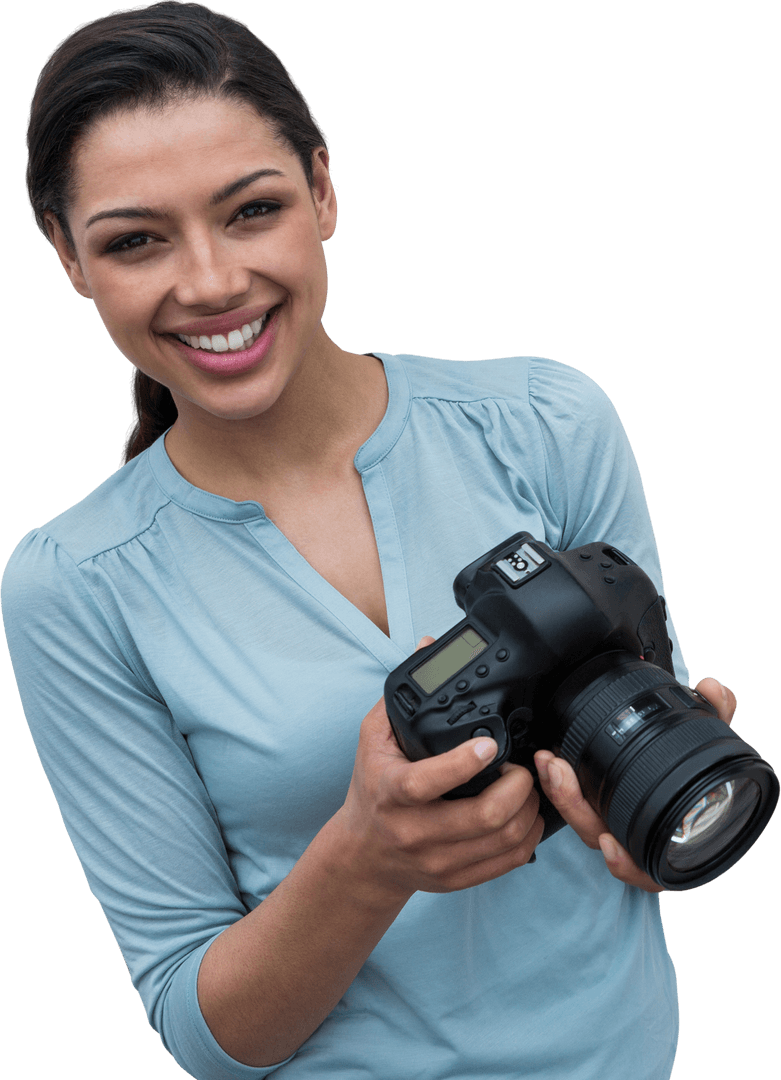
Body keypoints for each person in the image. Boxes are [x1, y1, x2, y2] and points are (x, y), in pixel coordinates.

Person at [2, 3, 738, 1078]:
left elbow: (650, 839)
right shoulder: (72, 589)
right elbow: (204, 1040)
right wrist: (364, 856)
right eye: (134, 240)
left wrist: (652, 788)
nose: (208, 282)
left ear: (324, 190)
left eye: (251, 210)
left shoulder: (547, 424)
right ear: (68, 257)